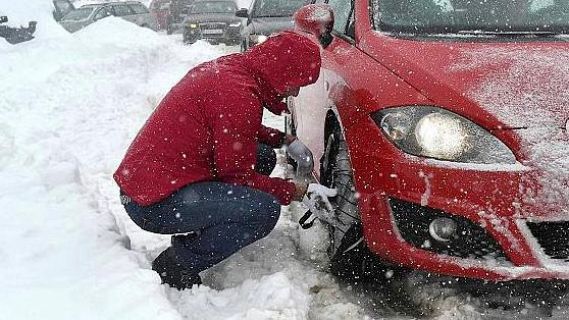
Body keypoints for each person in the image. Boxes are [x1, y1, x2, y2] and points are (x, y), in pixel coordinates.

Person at [113, 31, 321, 290]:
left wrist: (284, 140)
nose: (295, 91)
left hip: (150, 183)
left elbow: (235, 127)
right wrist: (292, 190)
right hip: (153, 203)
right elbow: (237, 176)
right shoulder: (237, 93)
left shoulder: (236, 71)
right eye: (296, 82)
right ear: (280, 71)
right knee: (263, 211)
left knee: (263, 156)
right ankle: (177, 264)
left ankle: (206, 227)